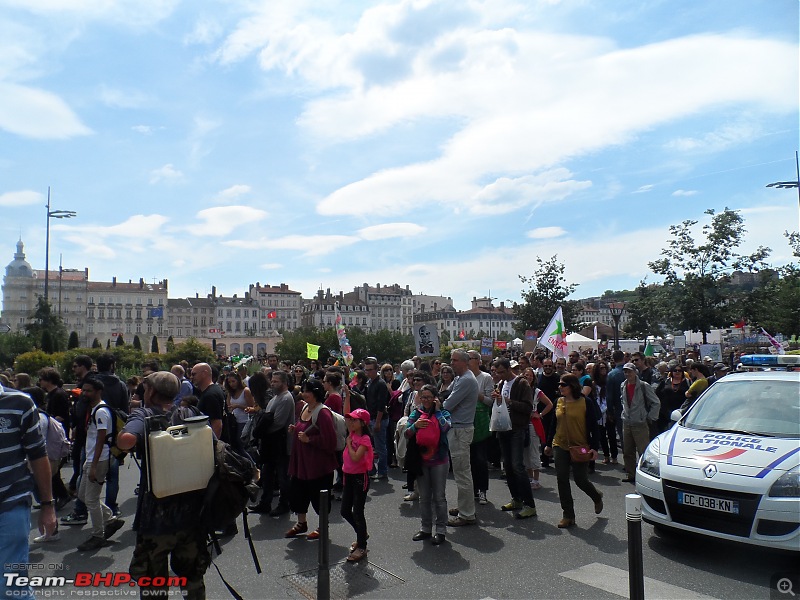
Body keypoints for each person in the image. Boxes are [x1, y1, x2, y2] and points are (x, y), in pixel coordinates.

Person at [116, 371, 209, 599]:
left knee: (153, 583)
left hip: (156, 517)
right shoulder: (188, 412)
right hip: (190, 513)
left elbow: (126, 440)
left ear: (151, 391)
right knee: (193, 580)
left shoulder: (144, 414)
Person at [0, 384, 57, 600]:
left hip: (10, 501)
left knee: (9, 587)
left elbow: (37, 455)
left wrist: (47, 505)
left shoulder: (20, 402)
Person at [543, 374, 604, 529]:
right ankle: (568, 515)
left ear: (572, 386)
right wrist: (549, 444)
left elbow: (593, 427)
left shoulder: (585, 402)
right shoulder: (558, 401)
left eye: (563, 384)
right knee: (562, 479)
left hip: (580, 446)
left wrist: (594, 448)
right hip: (560, 445)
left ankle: (596, 496)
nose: (560, 387)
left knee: (580, 479)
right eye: (559, 384)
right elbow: (553, 424)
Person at [285, 379, 339, 539]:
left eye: (307, 391)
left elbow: (330, 441)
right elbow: (305, 428)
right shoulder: (304, 407)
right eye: (303, 390)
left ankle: (323, 527)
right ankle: (301, 523)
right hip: (302, 462)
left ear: (315, 393)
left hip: (317, 465)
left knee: (318, 496)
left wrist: (310, 441)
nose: (303, 393)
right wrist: (296, 429)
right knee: (298, 492)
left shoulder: (323, 413)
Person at [76, 376, 125, 551]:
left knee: (90, 499)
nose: (85, 393)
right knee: (83, 495)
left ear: (98, 392)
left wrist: (94, 465)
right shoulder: (94, 409)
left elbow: (101, 439)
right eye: (84, 390)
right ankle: (110, 519)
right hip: (91, 458)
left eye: (88, 390)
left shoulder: (101, 412)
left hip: (99, 459)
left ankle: (98, 535)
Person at [406, 385, 452, 545]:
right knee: (424, 497)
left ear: (435, 398)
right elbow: (406, 433)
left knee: (439, 497)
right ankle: (426, 528)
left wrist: (438, 411)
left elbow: (446, 427)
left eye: (428, 397)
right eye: (422, 397)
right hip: (421, 461)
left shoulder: (443, 412)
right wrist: (415, 426)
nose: (425, 400)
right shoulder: (416, 413)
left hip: (439, 460)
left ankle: (441, 531)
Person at [493, 358, 538, 520]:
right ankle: (516, 499)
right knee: (509, 466)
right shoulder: (501, 384)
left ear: (508, 369)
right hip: (503, 428)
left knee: (518, 465)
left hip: (517, 429)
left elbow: (527, 407)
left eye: (501, 372)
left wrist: (508, 401)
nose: (499, 375)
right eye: (497, 372)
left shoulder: (521, 383)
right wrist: (497, 400)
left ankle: (529, 504)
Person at [443, 349, 478, 528]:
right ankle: (465, 506)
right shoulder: (459, 378)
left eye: (454, 360)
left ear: (465, 362)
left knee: (462, 472)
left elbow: (447, 404)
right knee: (461, 472)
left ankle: (467, 514)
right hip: (457, 428)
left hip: (461, 429)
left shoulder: (466, 380)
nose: (451, 363)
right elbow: (445, 395)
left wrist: (442, 404)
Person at [340, 408, 374, 562]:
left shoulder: (364, 439)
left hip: (360, 477)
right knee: (345, 510)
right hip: (348, 476)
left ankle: (362, 545)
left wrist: (348, 443)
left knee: (358, 511)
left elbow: (355, 457)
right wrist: (347, 394)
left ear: (362, 423)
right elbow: (345, 412)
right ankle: (362, 533)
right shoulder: (352, 433)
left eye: (354, 420)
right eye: (350, 420)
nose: (351, 422)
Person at [620, 363, 660, 483]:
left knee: (643, 451)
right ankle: (630, 474)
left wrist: (650, 417)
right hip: (627, 422)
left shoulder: (643, 385)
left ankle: (645, 475)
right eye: (625, 372)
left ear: (635, 372)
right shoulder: (623, 385)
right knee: (627, 451)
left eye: (629, 371)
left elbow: (656, 402)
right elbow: (623, 401)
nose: (627, 374)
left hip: (640, 422)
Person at [468, 350, 493, 505]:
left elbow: (491, 401)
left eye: (469, 358)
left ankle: (482, 490)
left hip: (481, 422)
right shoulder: (462, 378)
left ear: (477, 361)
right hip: (466, 422)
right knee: (468, 460)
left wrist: (478, 395)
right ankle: (472, 491)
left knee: (480, 459)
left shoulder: (486, 378)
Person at [363, 358, 390, 481]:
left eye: (370, 370)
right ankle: (372, 469)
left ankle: (382, 471)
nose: (368, 372)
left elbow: (381, 404)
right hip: (370, 417)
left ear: (376, 369)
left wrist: (378, 422)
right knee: (370, 447)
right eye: (366, 370)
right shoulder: (369, 382)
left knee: (380, 447)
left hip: (379, 418)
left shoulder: (380, 384)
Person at [192, 363, 225, 438]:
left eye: (194, 374)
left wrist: (212, 445)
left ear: (204, 373)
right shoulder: (215, 390)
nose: (192, 377)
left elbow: (217, 425)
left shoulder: (210, 395)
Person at [224, 372, 255, 452]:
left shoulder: (246, 391)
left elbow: (252, 407)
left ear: (238, 380)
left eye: (233, 381)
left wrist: (238, 406)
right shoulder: (230, 393)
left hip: (245, 420)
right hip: (234, 421)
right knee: (235, 445)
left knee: (242, 445)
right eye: (229, 382)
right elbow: (229, 405)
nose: (231, 384)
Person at [655, 365, 690, 433]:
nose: (677, 372)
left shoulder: (688, 382)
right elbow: (657, 393)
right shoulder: (665, 381)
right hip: (665, 412)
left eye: (679, 370)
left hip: (681, 411)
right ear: (671, 372)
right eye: (675, 370)